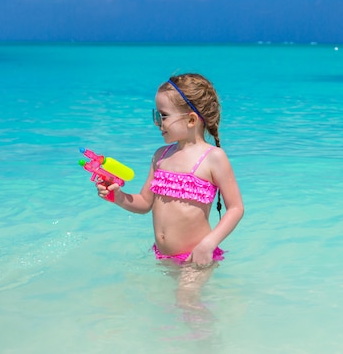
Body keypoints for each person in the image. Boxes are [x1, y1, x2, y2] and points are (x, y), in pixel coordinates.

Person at [97, 73, 244, 297]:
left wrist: (209, 244)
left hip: (196, 256)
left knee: (186, 301)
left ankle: (210, 333)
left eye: (163, 116)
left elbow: (235, 208)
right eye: (156, 115)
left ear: (191, 120)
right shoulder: (161, 156)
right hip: (161, 256)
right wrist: (117, 196)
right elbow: (145, 203)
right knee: (165, 305)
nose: (157, 123)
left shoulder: (213, 158)